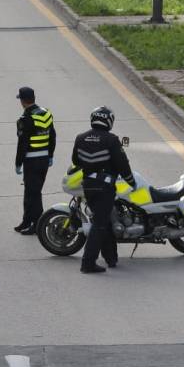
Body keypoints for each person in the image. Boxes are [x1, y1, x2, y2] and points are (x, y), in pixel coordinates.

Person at [71, 106, 135, 274]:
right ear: (109, 121)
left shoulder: (80, 137)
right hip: (104, 188)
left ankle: (111, 258)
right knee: (99, 225)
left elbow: (76, 160)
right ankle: (87, 263)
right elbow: (122, 164)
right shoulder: (111, 140)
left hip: (88, 186)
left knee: (105, 221)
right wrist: (131, 182)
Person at [13, 87, 56, 235]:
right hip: (43, 160)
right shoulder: (46, 113)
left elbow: (22, 144)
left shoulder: (25, 119)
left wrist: (18, 163)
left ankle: (37, 224)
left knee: (34, 193)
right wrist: (50, 155)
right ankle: (26, 220)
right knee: (30, 191)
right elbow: (52, 136)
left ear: (23, 101)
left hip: (31, 161)